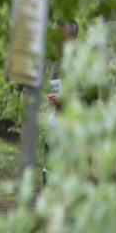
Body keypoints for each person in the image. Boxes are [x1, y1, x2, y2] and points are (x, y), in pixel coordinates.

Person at [43, 19, 78, 185]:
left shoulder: (81, 59)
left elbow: (92, 93)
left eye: (56, 33)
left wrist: (65, 98)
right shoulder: (56, 59)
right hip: (56, 119)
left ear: (69, 35)